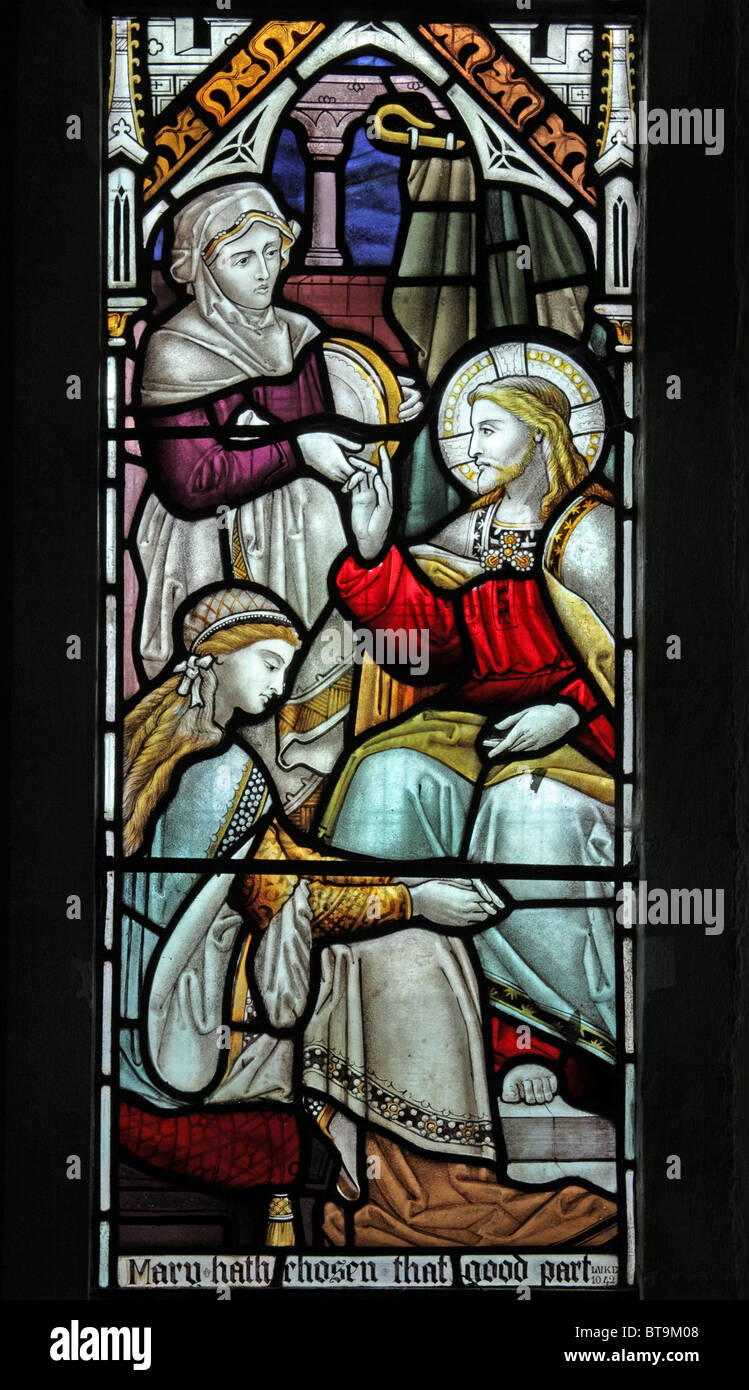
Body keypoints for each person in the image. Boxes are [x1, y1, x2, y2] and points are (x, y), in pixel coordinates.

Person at [118, 584, 508, 1241]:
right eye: (270, 662)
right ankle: (415, 1196)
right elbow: (287, 890)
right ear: (212, 660)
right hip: (177, 1048)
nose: (282, 681)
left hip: (138, 1034)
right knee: (392, 960)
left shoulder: (157, 753)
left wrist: (398, 887)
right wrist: (414, 898)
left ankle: (404, 1190)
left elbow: (284, 871)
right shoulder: (221, 776)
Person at [317, 366, 618, 1119]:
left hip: (583, 732)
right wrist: (373, 550)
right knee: (385, 782)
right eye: (467, 430)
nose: (469, 445)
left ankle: (552, 1041)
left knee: (525, 813)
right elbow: (433, 652)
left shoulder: (591, 529)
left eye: (489, 428)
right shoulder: (470, 531)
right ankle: (399, 1048)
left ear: (541, 432)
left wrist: (570, 711)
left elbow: (629, 659)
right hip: (474, 723)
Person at [133, 181, 420, 822]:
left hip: (305, 532)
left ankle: (304, 776)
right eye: (244, 259)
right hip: (210, 535)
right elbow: (191, 480)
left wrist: (384, 406)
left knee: (317, 649)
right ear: (202, 266)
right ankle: (232, 796)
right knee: (240, 672)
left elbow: (319, 424)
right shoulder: (176, 349)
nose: (266, 272)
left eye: (272, 252)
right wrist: (297, 453)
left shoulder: (298, 330)